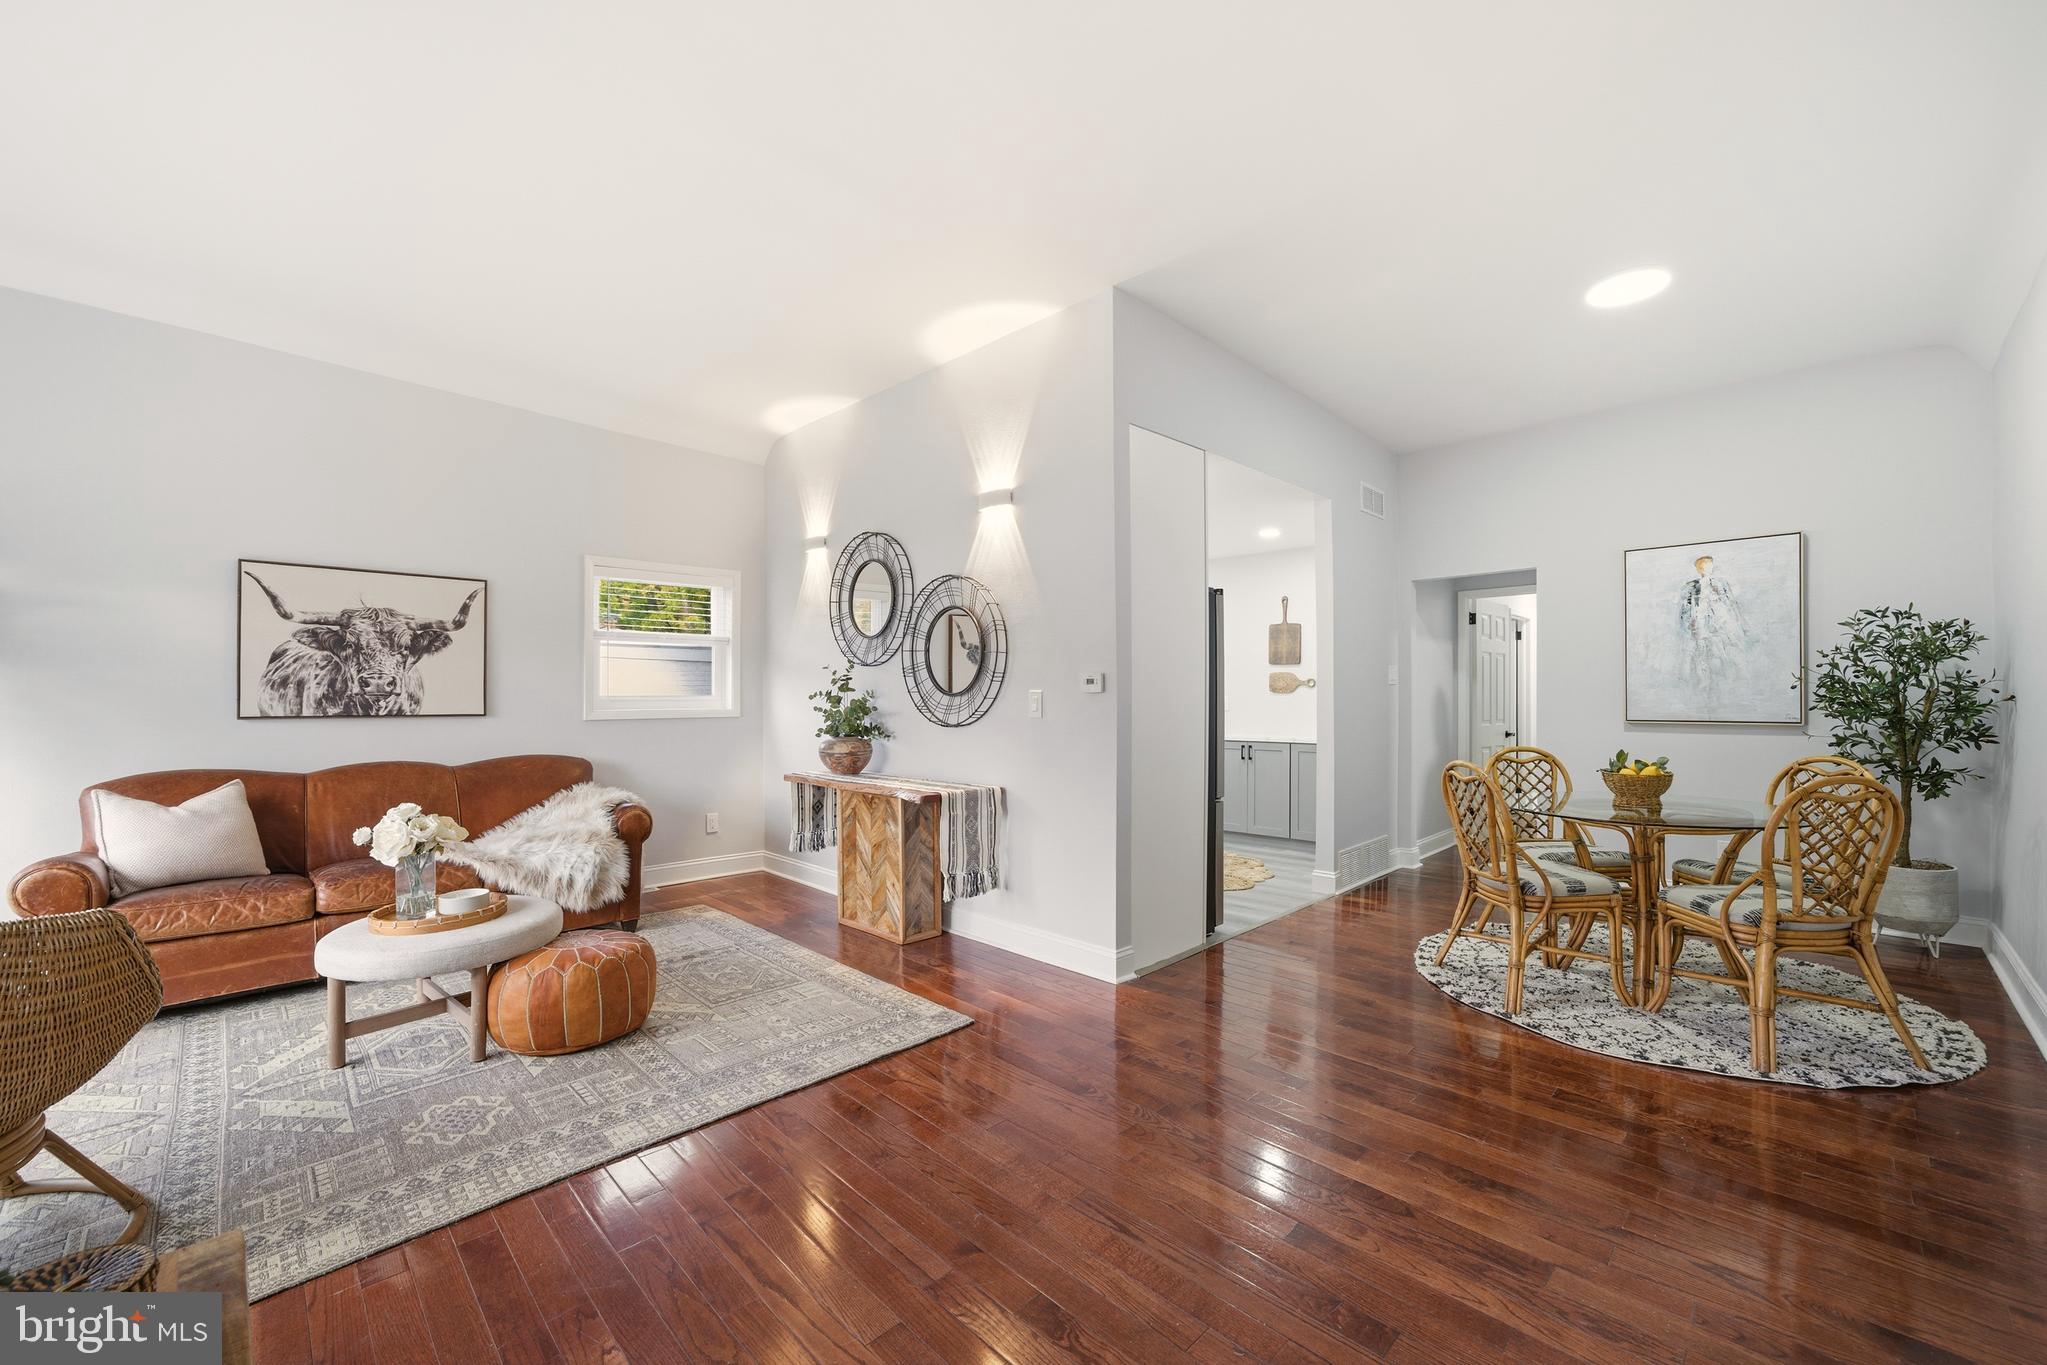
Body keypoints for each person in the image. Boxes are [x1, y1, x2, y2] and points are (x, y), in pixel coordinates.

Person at [1678, 554, 1748, 700]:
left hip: (1719, 622)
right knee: (1701, 654)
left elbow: (1731, 603)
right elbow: (1685, 608)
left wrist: (1739, 622)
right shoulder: (1691, 586)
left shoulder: (1720, 583)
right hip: (1700, 624)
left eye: (1709, 565)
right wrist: (1689, 624)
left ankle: (1725, 686)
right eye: (1704, 566)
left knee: (1721, 651)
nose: (1708, 568)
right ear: (1699, 568)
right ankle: (1704, 685)